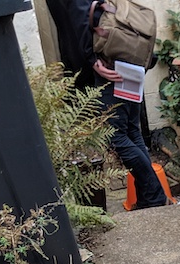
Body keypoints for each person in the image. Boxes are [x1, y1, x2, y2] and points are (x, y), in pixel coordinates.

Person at [45, 0, 168, 209]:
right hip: (126, 55)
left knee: (116, 135)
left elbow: (81, 17)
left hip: (106, 60)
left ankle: (154, 195)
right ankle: (149, 197)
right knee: (130, 130)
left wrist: (92, 60)